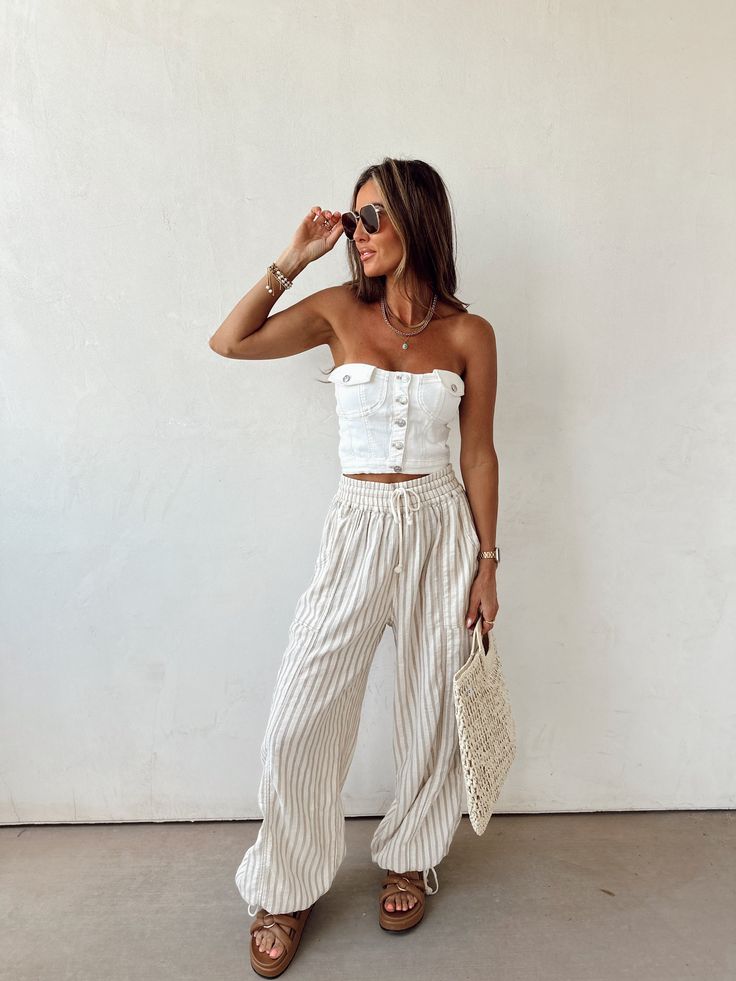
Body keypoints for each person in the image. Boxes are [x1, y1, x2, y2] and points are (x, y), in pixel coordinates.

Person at [209, 157, 499, 978]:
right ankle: (287, 881)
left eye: (373, 217)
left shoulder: (470, 334)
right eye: (353, 217)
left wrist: (487, 561)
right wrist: (293, 258)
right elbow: (230, 341)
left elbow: (479, 453)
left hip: (443, 524)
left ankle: (410, 851)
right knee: (304, 708)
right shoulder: (338, 309)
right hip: (358, 524)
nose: (358, 233)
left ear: (418, 220)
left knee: (431, 702)